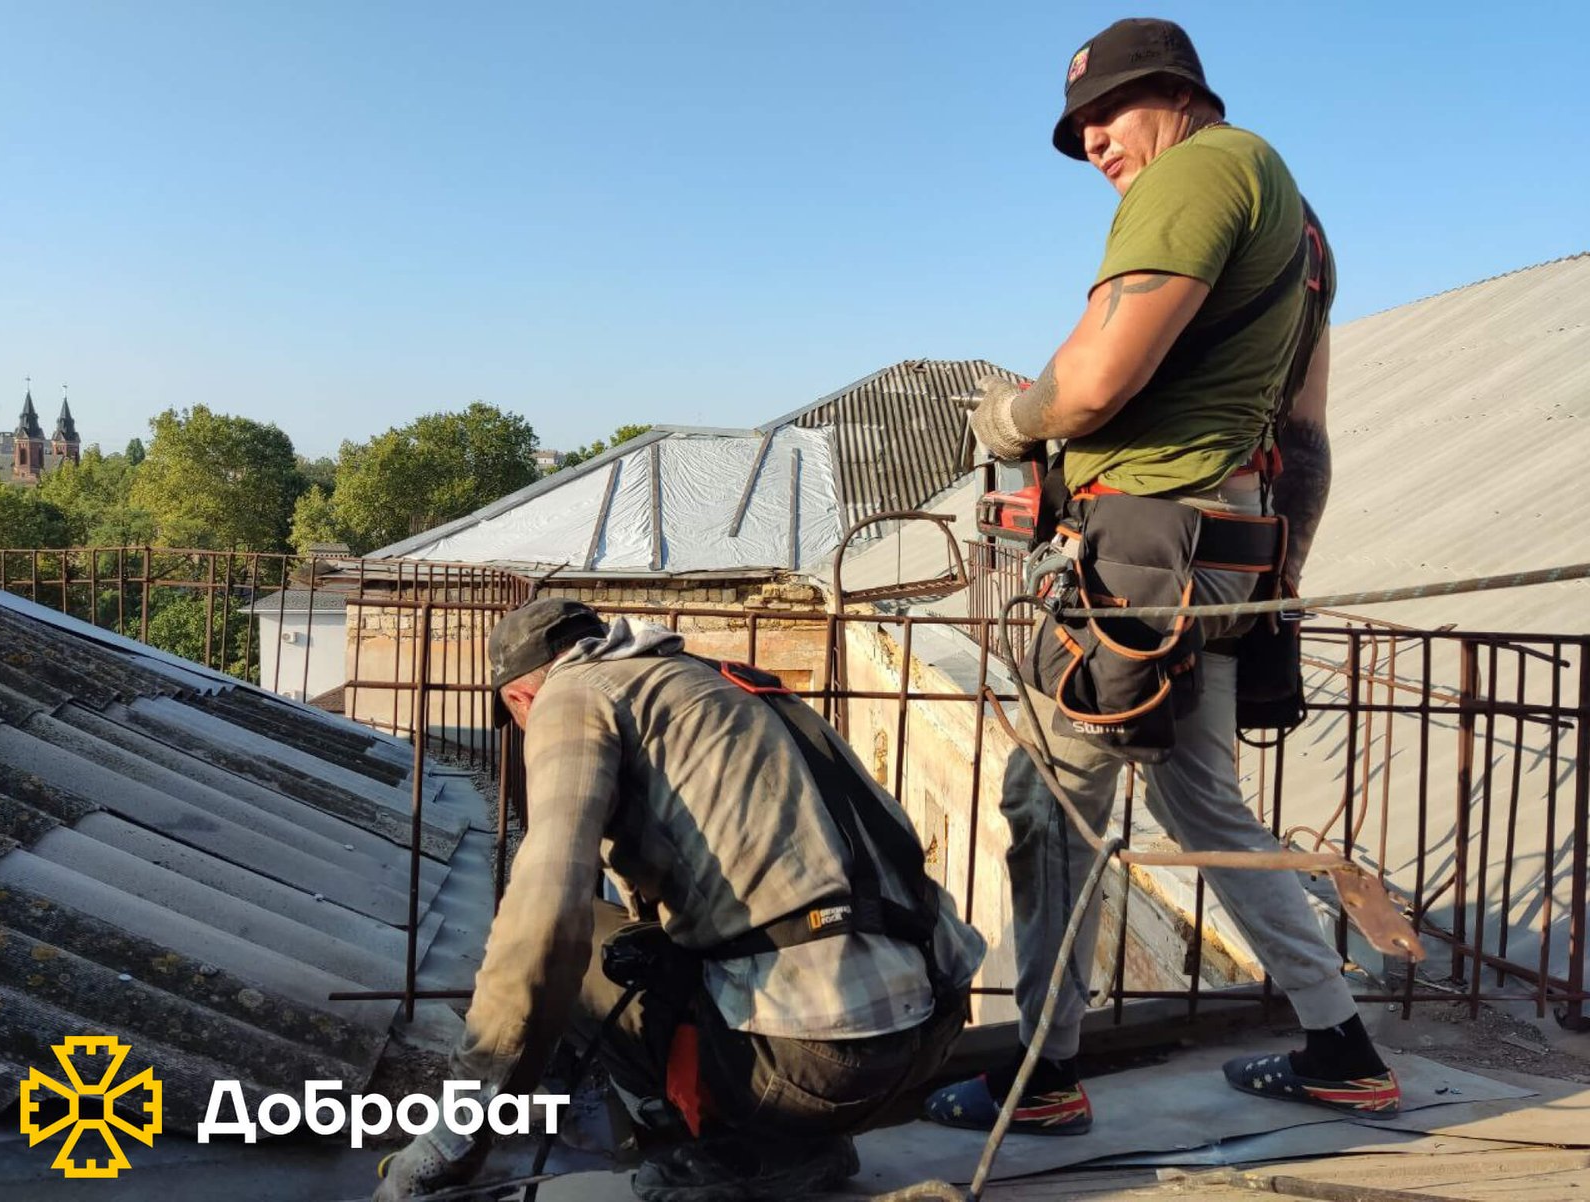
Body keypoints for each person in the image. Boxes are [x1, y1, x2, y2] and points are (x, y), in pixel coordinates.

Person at [925, 17, 1398, 1136]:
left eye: (1109, 112)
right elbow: (1307, 435)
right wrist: (1274, 584)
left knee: (1050, 806)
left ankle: (1039, 1078)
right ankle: (1341, 1046)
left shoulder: (1200, 170)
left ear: (1179, 96)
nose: (1092, 141)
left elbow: (1090, 383)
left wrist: (1009, 414)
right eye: (1078, 127)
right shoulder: (1307, 232)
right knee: (1205, 804)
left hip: (1136, 563)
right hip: (1228, 556)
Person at [375, 598, 985, 1201]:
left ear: (520, 699)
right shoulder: (710, 680)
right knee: (652, 947)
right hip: (932, 1026)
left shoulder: (571, 695)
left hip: (818, 1062)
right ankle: (788, 1146)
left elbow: (543, 920)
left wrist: (453, 1136)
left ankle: (731, 1152)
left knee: (582, 949)